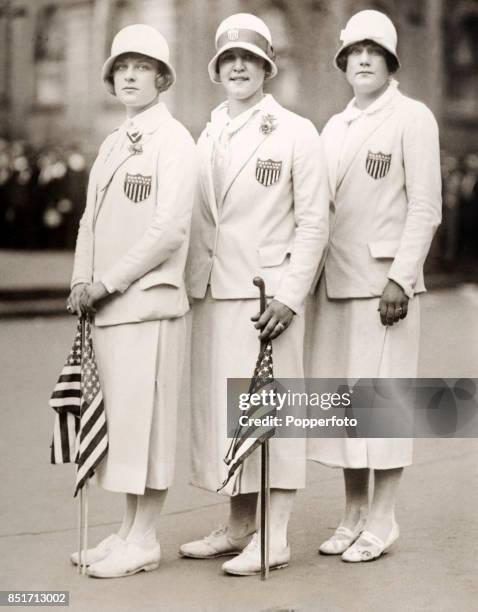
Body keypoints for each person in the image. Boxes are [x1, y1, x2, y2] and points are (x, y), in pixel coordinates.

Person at [182, 13, 329, 575]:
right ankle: (240, 524)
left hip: (269, 295)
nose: (239, 66)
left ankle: (276, 535)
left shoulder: (295, 131)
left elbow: (314, 224)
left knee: (275, 412)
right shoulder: (209, 131)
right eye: (229, 58)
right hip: (216, 291)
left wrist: (290, 296)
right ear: (218, 69)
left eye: (250, 58)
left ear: (267, 67)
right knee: (229, 411)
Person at [306, 10, 442, 562]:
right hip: (334, 284)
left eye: (374, 53)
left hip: (384, 287)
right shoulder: (334, 126)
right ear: (343, 63)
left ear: (389, 62)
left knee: (382, 407)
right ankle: (353, 515)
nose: (363, 60)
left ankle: (383, 521)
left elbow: (426, 208)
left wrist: (400, 279)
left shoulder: (413, 117)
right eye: (354, 53)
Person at [66, 24, 198, 578]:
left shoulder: (176, 140)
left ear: (162, 78)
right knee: (121, 421)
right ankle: (125, 530)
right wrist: (80, 279)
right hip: (107, 304)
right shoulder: (114, 141)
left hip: (147, 302)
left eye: (141, 68)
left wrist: (107, 281)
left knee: (147, 423)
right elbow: (89, 221)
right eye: (122, 67)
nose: (129, 76)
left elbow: (169, 229)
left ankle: (145, 537)